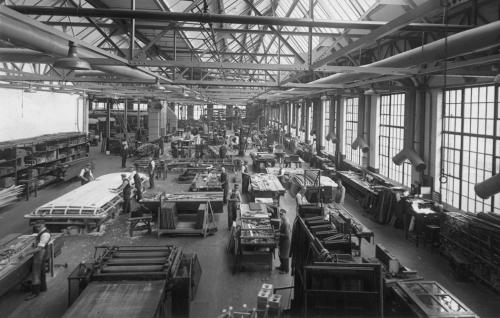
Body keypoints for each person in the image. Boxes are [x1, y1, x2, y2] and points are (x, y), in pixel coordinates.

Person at [18, 220, 51, 300]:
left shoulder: (45, 234)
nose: (38, 228)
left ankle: (35, 292)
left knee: (36, 272)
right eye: (36, 226)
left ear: (43, 225)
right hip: (41, 252)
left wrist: (26, 253)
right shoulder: (42, 232)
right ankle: (43, 287)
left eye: (39, 226)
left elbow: (39, 248)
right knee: (42, 270)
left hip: (41, 253)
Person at [276, 209, 291, 274]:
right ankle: (282, 266)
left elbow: (287, 234)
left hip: (286, 241)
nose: (281, 216)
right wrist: (278, 231)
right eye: (280, 214)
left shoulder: (286, 223)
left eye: (282, 214)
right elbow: (282, 230)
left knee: (285, 256)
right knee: (281, 255)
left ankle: (286, 270)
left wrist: (279, 234)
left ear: (285, 214)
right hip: (282, 240)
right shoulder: (283, 221)